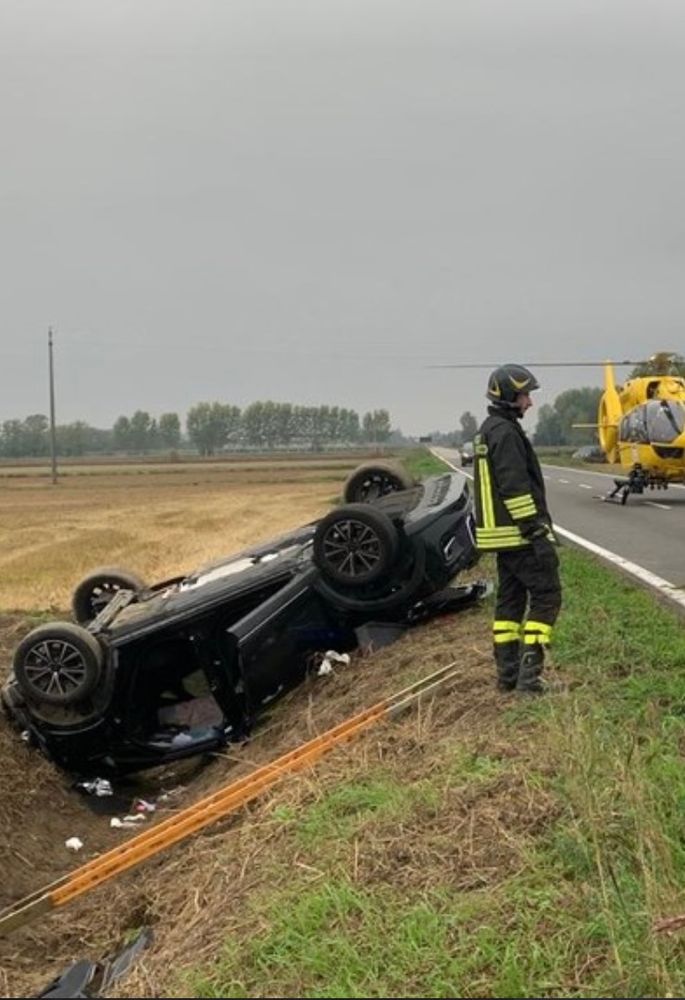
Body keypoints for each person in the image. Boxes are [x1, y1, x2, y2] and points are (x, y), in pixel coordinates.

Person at [472, 364, 562, 694]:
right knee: (547, 595)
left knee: (509, 606)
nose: (530, 403)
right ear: (509, 396)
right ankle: (529, 682)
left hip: (502, 538)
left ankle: (507, 678)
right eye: (525, 395)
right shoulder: (506, 433)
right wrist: (535, 531)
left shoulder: (489, 429)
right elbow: (515, 487)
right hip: (519, 536)